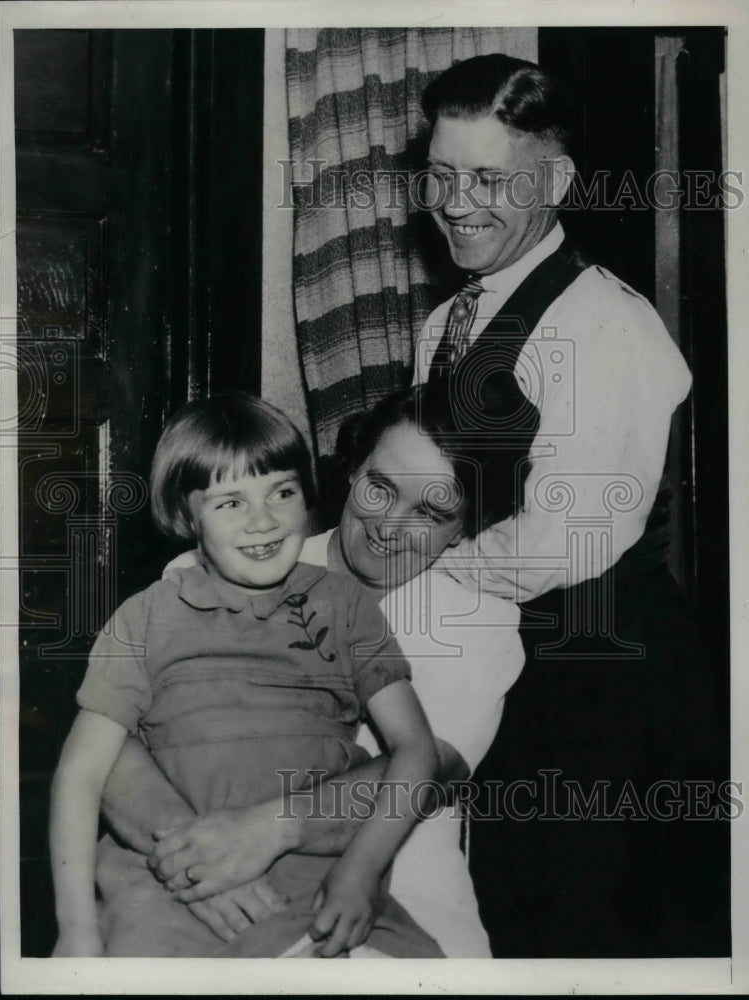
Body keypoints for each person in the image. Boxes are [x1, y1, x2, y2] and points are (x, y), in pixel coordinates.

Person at [413, 53, 728, 956]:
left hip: (602, 693)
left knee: (587, 940)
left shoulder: (603, 324)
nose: (454, 201)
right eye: (439, 175)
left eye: (486, 178)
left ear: (555, 181)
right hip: (492, 675)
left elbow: (564, 538)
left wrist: (408, 577)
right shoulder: (444, 327)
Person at [95, 374, 538, 958]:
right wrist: (198, 868)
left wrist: (264, 831)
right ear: (353, 467)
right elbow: (111, 744)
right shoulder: (221, 562)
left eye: (432, 512)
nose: (388, 526)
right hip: (191, 885)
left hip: (382, 901)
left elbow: (423, 770)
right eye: (380, 487)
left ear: (466, 529)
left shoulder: (476, 623)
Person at [50, 392, 446, 959]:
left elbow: (417, 752)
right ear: (187, 516)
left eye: (282, 492)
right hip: (171, 884)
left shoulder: (344, 604)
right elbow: (81, 775)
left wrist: (362, 870)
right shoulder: (145, 617)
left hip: (320, 881)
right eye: (230, 502)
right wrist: (76, 927)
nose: (264, 521)